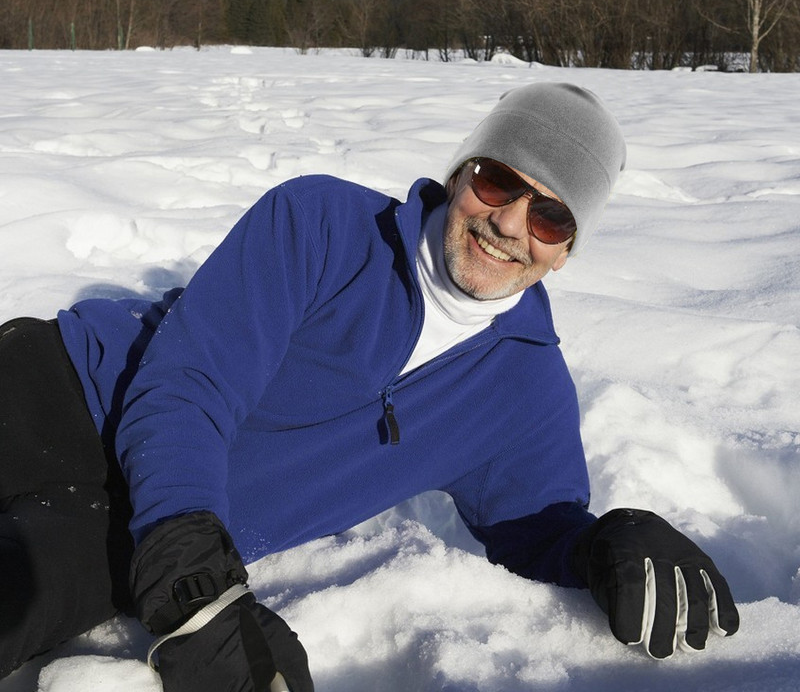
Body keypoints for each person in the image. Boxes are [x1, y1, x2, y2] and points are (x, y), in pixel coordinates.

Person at [0, 83, 739, 691]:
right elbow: (188, 385)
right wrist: (196, 584)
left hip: (118, 529)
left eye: (550, 216)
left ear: (567, 251)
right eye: (498, 180)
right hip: (64, 395)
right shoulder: (321, 224)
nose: (510, 222)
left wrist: (605, 545)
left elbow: (533, 528)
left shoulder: (526, 387)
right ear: (460, 174)